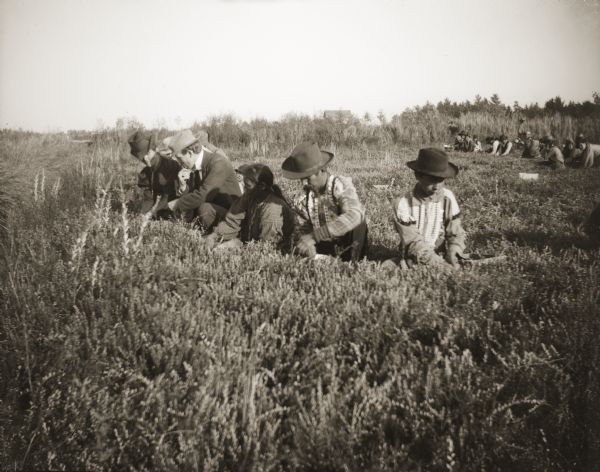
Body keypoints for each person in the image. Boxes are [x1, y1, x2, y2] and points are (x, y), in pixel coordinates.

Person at [281, 142, 368, 261]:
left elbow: (355, 215)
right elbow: (301, 231)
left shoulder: (340, 185)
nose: (304, 183)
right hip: (324, 248)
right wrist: (307, 246)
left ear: (322, 169)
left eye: (307, 178)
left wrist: (315, 236)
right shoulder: (303, 200)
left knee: (358, 222)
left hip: (349, 244)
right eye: (301, 178)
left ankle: (353, 262)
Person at [384, 148, 466, 270]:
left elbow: (455, 231)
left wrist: (454, 250)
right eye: (432, 180)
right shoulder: (403, 204)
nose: (436, 187)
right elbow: (413, 242)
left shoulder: (448, 198)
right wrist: (439, 265)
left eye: (441, 180)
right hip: (414, 255)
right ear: (418, 176)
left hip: (441, 254)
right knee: (389, 267)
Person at [149, 129, 241, 230]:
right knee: (195, 209)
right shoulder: (196, 166)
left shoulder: (218, 162)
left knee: (203, 209)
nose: (179, 163)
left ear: (190, 153)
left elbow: (204, 195)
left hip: (232, 215)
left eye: (179, 158)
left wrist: (176, 204)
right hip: (214, 209)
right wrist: (183, 187)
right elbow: (193, 195)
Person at [204, 164, 296, 252]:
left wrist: (236, 247)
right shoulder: (250, 195)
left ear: (262, 186)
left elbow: (267, 247)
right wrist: (214, 236)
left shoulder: (272, 210)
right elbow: (232, 222)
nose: (244, 190)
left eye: (247, 186)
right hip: (249, 241)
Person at [128, 130, 180, 217]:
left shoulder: (170, 166)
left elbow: (168, 196)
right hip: (158, 206)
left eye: (148, 153)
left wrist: (152, 212)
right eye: (141, 157)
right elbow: (148, 198)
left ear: (155, 149)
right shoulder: (145, 173)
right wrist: (143, 214)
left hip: (173, 204)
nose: (146, 158)